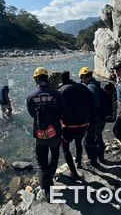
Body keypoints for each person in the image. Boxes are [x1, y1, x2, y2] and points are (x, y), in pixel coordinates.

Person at [26, 67, 66, 196]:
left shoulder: (31, 96)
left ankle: (47, 189)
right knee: (54, 155)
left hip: (40, 134)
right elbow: (62, 111)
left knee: (41, 161)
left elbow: (32, 114)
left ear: (36, 79)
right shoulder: (57, 94)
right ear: (46, 78)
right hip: (55, 132)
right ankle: (52, 174)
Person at [58, 70, 92, 178]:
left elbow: (58, 109)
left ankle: (73, 172)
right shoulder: (82, 87)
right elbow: (91, 101)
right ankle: (79, 163)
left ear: (61, 80)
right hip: (83, 125)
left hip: (69, 126)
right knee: (78, 142)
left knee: (65, 147)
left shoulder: (62, 90)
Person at [79, 66, 106, 167]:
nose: (82, 81)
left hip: (95, 118)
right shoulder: (97, 84)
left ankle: (93, 162)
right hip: (102, 117)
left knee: (88, 141)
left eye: (82, 78)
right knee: (98, 136)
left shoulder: (91, 87)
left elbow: (95, 104)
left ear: (84, 77)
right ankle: (101, 158)